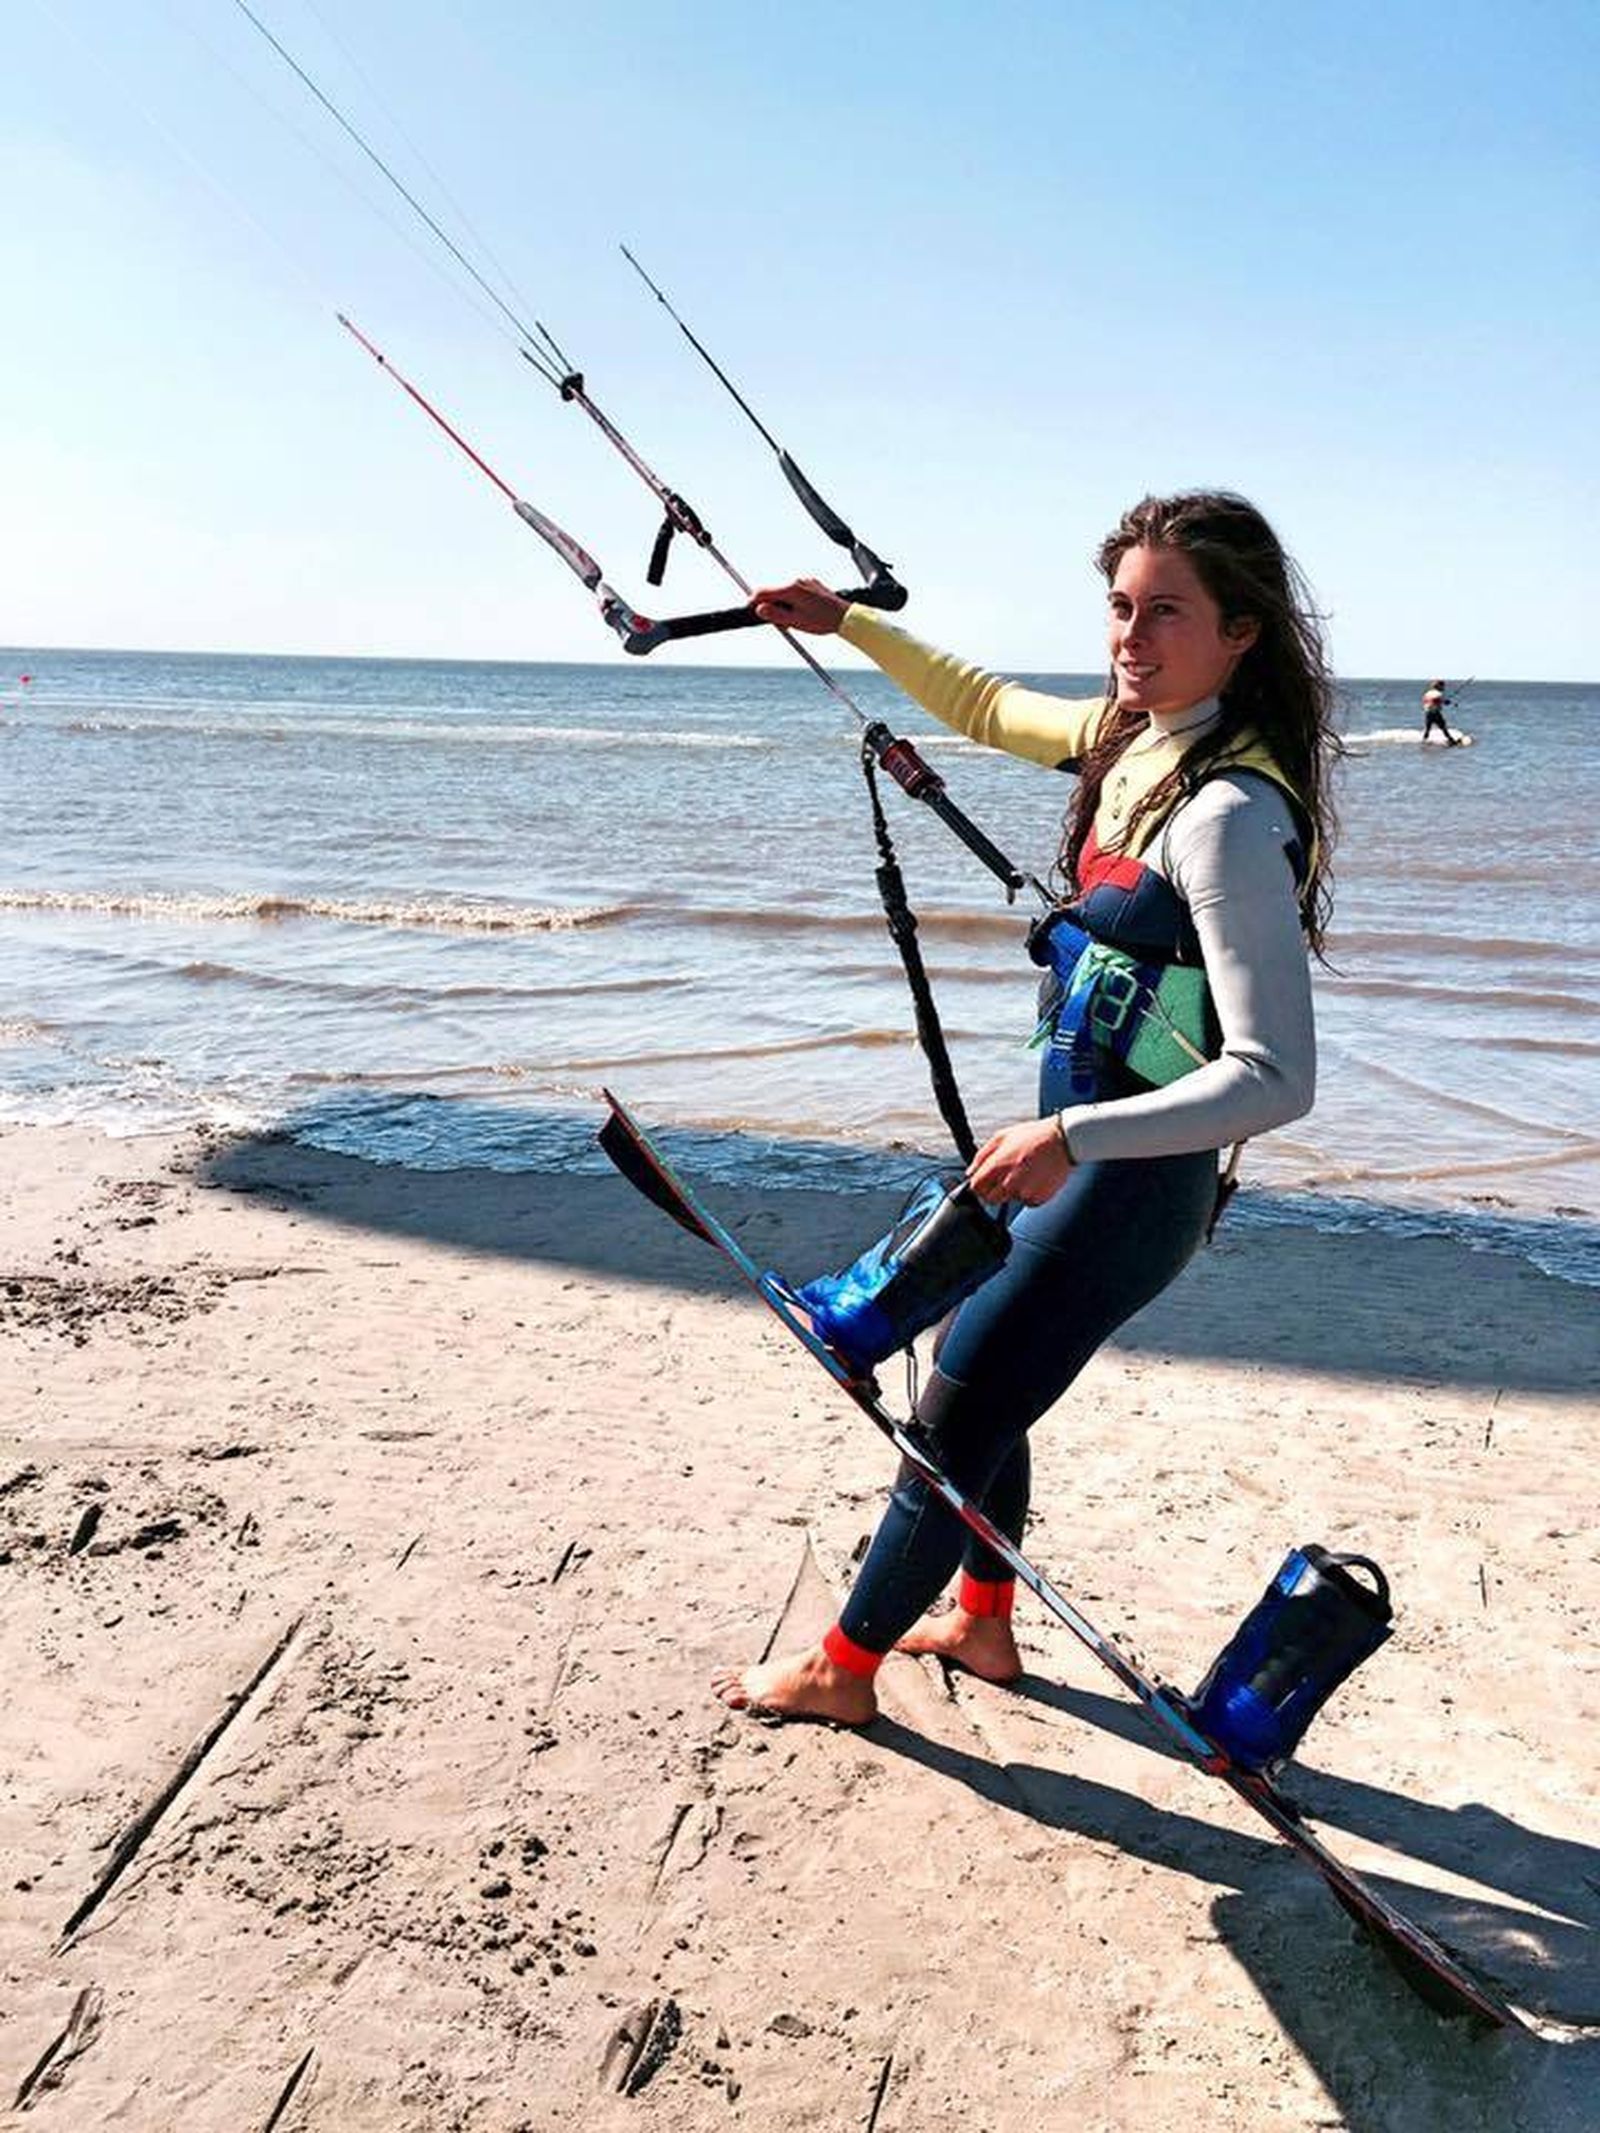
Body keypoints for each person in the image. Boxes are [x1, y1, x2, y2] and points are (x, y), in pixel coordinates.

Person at [710, 490, 1340, 1726]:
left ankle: (844, 1671)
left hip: (1128, 1188)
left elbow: (1277, 1078)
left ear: (1242, 633)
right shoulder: (1131, 744)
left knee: (948, 1423)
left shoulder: (1223, 814)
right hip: (1079, 1167)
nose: (1131, 635)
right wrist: (850, 625)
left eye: (1167, 612)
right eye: (1120, 607)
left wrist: (1071, 1135)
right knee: (972, 1368)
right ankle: (984, 1625)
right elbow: (989, 708)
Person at [1421, 680, 1462, 745]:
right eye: (1443, 686)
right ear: (1439, 686)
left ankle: (1424, 741)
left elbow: (1426, 702)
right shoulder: (1439, 694)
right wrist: (1451, 703)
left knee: (1428, 729)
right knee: (1443, 727)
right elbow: (1445, 702)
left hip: (1427, 713)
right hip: (1435, 713)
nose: (1444, 688)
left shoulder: (1427, 693)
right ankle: (1451, 741)